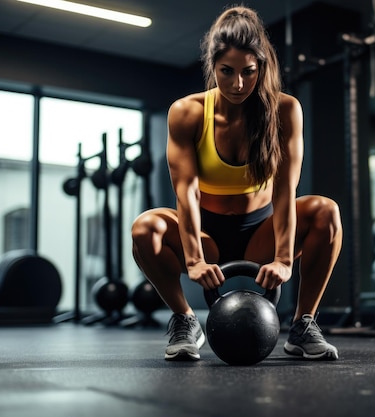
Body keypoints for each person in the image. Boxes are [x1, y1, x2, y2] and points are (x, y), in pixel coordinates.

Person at [131, 5, 343, 362]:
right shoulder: (188, 112)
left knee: (327, 212)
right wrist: (195, 260)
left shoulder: (284, 110)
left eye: (249, 72)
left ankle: (304, 324)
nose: (238, 84)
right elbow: (186, 191)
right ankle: (184, 319)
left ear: (261, 68)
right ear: (212, 67)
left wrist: (283, 258)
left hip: (262, 230)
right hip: (206, 236)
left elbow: (285, 190)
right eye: (226, 72)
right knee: (144, 228)